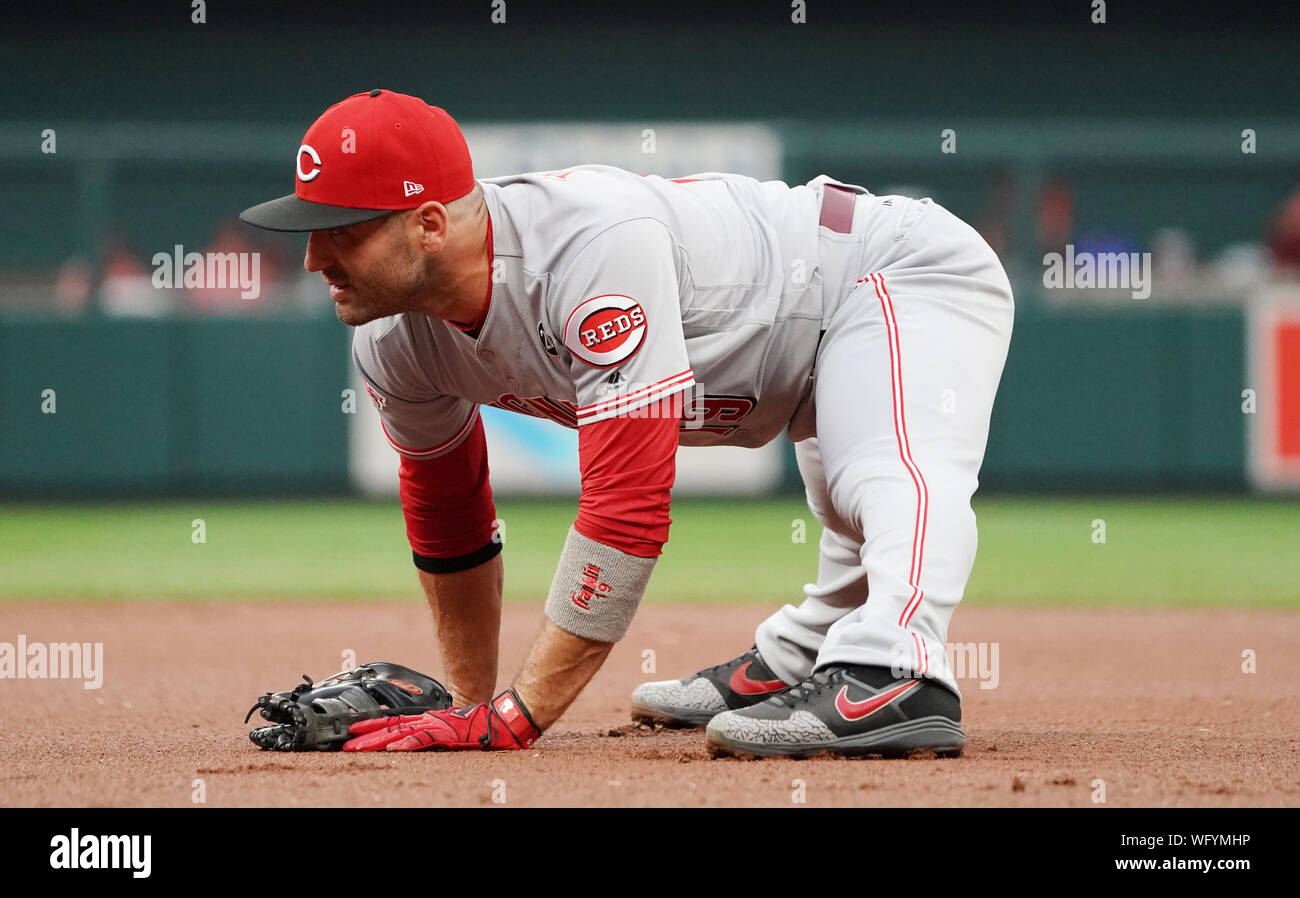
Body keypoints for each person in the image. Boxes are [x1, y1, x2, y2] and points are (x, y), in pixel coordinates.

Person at [240, 89, 1014, 759]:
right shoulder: (392, 336)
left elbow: (627, 511)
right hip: (793, 345)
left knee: (881, 473)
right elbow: (450, 518)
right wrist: (468, 706)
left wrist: (518, 717)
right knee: (847, 505)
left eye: (342, 230)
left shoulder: (586, 250)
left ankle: (895, 669)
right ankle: (808, 656)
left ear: (432, 225)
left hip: (890, 267)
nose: (313, 259)